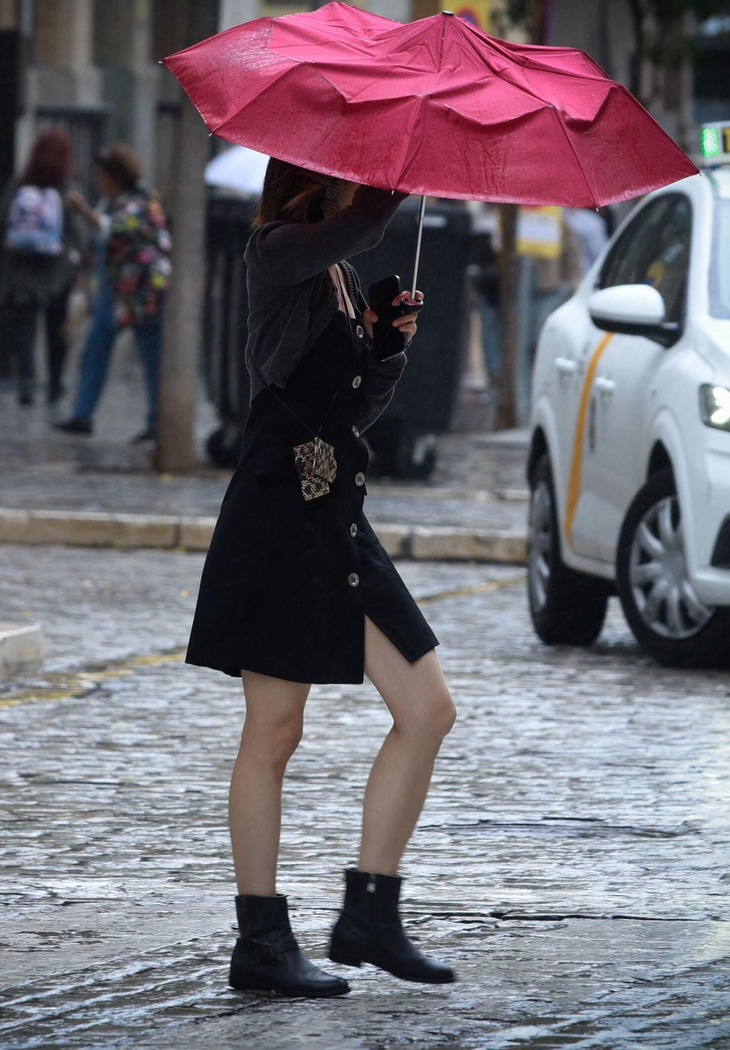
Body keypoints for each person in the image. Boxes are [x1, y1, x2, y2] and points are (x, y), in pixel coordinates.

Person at [185, 160, 457, 997]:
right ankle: (261, 941)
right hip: (277, 516)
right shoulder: (274, 251)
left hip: (335, 514)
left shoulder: (335, 274)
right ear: (313, 179)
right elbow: (358, 228)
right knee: (273, 731)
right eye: (349, 171)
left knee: (428, 709)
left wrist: (386, 347)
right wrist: (397, 183)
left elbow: (353, 411)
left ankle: (369, 912)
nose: (361, 184)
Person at [53, 144, 170, 442]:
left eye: (101, 174)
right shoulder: (113, 202)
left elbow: (116, 230)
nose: (97, 180)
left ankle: (158, 421)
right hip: (116, 289)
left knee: (151, 357)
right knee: (95, 348)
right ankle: (83, 414)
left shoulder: (140, 202)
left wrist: (82, 210)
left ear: (114, 176)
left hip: (141, 291)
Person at [0, 129, 87, 407]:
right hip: (57, 274)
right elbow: (79, 235)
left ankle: (26, 385)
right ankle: (55, 384)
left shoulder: (19, 185)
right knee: (57, 332)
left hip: (21, 273)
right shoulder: (69, 190)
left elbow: (0, 220)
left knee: (24, 332)